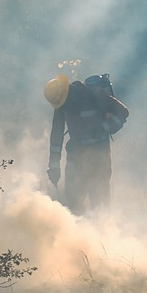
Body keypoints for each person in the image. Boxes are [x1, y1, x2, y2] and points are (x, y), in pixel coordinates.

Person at [45, 72, 129, 214]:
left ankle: (103, 232)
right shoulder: (61, 103)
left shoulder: (95, 95)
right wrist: (54, 166)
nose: (63, 106)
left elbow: (123, 112)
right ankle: (78, 232)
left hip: (100, 154)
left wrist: (104, 128)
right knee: (73, 200)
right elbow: (56, 136)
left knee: (100, 201)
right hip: (75, 155)